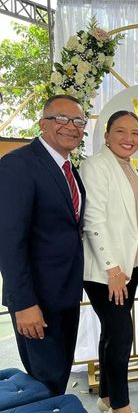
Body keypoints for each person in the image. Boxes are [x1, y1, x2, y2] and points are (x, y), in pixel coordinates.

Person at [0, 94, 86, 395]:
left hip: (66, 295)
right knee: (45, 384)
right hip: (36, 301)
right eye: (61, 118)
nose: (71, 126)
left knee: (58, 377)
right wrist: (24, 304)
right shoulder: (18, 165)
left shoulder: (69, 168)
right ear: (43, 124)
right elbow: (9, 241)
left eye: (78, 121)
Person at [80, 110, 138, 413]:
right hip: (107, 272)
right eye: (121, 131)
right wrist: (112, 269)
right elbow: (92, 220)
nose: (129, 138)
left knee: (113, 331)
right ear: (106, 135)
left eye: (135, 132)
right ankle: (121, 409)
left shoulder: (127, 167)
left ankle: (107, 399)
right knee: (122, 336)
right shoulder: (96, 166)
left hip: (128, 267)